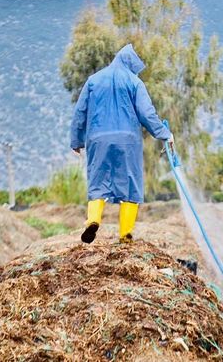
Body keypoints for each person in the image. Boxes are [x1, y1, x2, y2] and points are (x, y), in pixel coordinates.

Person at [70, 44, 174, 244]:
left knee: (97, 181)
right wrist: (164, 133)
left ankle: (93, 220)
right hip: (127, 140)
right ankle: (125, 234)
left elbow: (80, 112)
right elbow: (147, 113)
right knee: (130, 184)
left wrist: (76, 140)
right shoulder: (134, 82)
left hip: (98, 138)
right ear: (130, 64)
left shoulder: (93, 80)